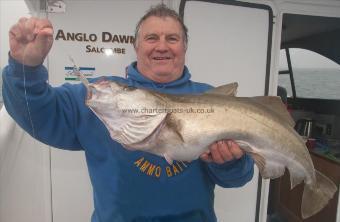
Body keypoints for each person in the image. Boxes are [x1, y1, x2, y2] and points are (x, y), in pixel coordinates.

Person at [2, 4, 254, 222]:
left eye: (172, 39)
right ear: (136, 45)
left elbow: (238, 178)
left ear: (185, 47)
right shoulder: (102, 95)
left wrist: (230, 162)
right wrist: (25, 67)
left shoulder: (210, 100)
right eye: (152, 37)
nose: (162, 46)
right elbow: (37, 112)